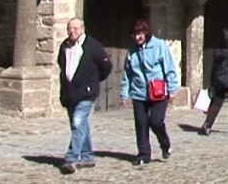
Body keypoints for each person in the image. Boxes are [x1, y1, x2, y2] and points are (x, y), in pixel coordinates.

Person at [57, 18, 112, 175]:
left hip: (87, 92)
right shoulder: (64, 46)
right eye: (69, 28)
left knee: (78, 122)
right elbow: (61, 64)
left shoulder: (93, 46)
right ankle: (87, 157)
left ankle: (71, 158)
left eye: (75, 28)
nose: (72, 31)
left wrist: (93, 81)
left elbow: (106, 66)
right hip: (70, 93)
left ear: (82, 28)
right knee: (80, 126)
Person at [120, 19, 178, 166]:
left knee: (156, 121)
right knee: (141, 124)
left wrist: (172, 90)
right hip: (139, 92)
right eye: (135, 34)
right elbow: (127, 73)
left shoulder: (159, 46)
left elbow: (169, 68)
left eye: (140, 33)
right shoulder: (132, 50)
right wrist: (124, 93)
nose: (138, 37)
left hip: (158, 92)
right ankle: (143, 154)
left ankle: (165, 144)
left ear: (146, 33)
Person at [200, 27, 228, 135]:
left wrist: (211, 82)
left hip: (218, 80)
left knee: (216, 103)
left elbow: (213, 67)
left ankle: (207, 124)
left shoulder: (217, 52)